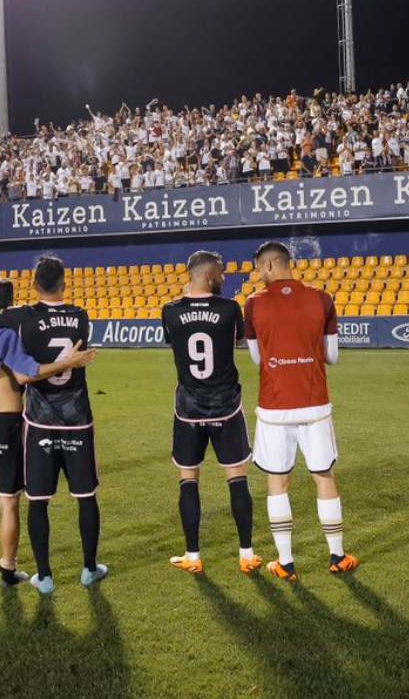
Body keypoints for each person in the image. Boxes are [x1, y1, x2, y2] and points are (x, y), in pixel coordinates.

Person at [0, 256, 106, 594]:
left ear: (33, 286)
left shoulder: (21, 317)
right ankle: (89, 568)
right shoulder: (79, 317)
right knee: (85, 497)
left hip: (40, 422)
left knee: (38, 500)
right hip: (77, 421)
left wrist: (3, 317)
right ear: (64, 283)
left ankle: (44, 576)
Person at [244, 241, 359, 581]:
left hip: (275, 407)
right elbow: (333, 356)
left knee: (277, 482)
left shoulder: (252, 305)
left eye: (257, 269)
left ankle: (286, 562)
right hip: (315, 404)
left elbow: (257, 359)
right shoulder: (322, 298)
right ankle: (337, 556)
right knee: (324, 477)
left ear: (268, 267)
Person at [162, 251, 262, 576]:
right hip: (226, 406)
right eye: (219, 272)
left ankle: (193, 555)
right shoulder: (230, 308)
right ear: (206, 275)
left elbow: (173, 343)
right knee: (237, 477)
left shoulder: (171, 311)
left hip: (188, 408)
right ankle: (246, 554)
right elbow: (236, 343)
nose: (223, 277)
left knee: (188, 480)